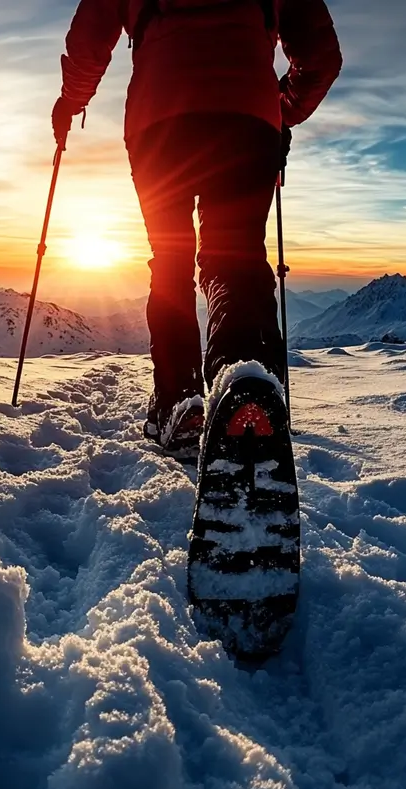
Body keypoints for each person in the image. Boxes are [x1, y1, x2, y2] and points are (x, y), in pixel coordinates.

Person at [52, 0, 342, 454]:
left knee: (169, 260)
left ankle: (178, 404)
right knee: (236, 257)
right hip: (247, 119)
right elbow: (321, 56)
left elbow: (91, 35)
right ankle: (246, 391)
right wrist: (282, 107)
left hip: (159, 119)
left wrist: (71, 102)